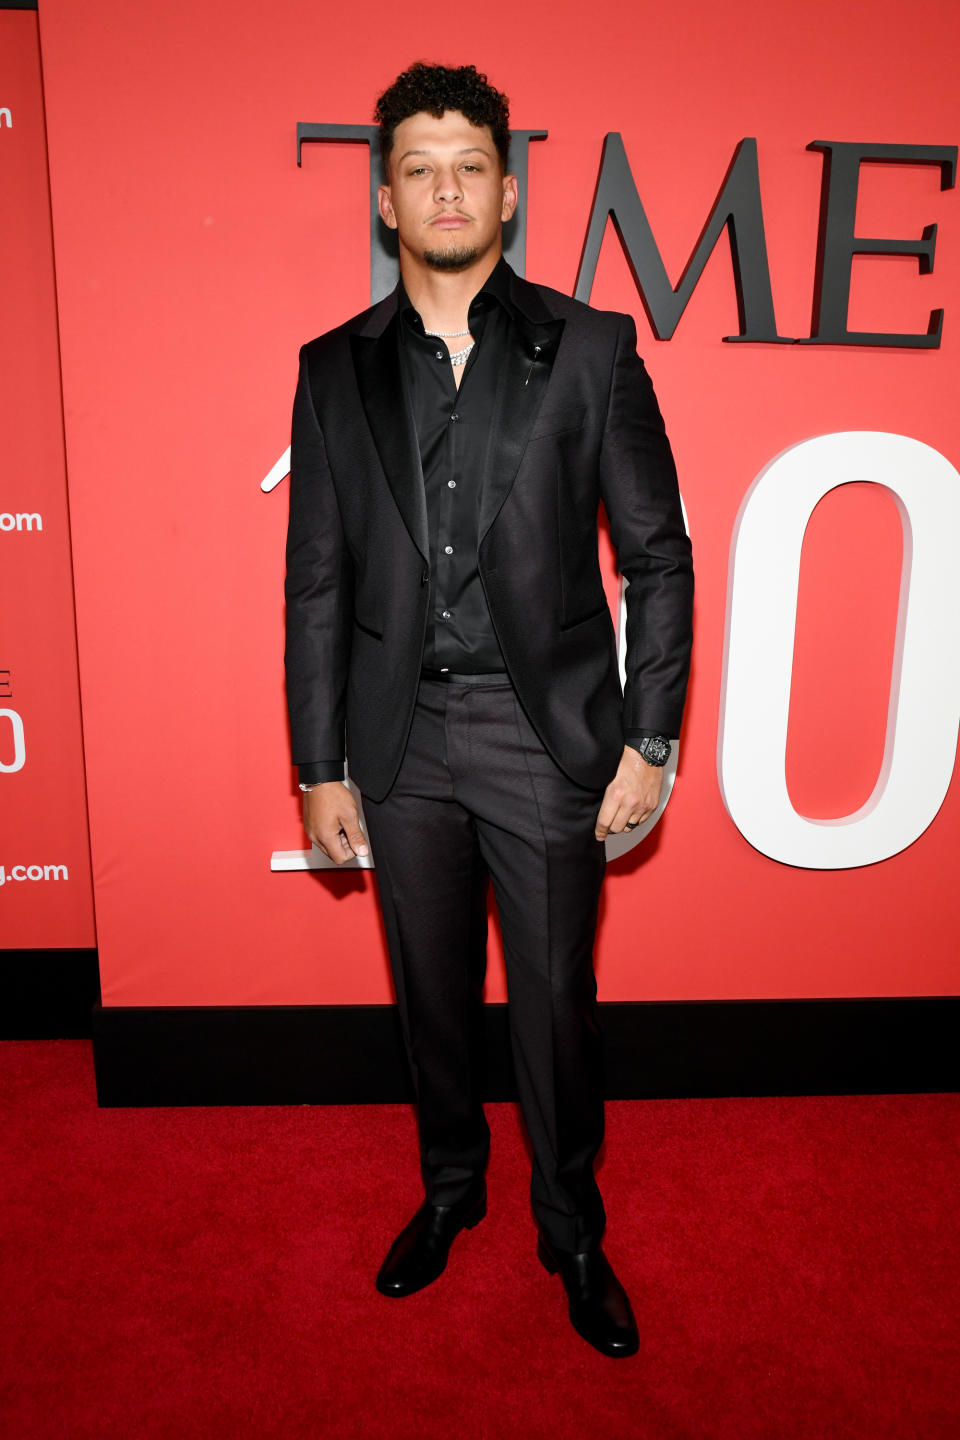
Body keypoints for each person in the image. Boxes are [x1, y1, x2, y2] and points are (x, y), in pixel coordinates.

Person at [284, 61, 693, 1359]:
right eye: (419, 168)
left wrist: (653, 734)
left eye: (470, 165)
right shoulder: (332, 369)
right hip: (397, 745)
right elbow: (316, 578)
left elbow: (659, 555)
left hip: (546, 734)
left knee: (557, 1005)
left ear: (508, 191)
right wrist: (318, 761)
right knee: (433, 997)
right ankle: (450, 1189)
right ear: (386, 201)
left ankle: (571, 1227)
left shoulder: (590, 348)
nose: (446, 187)